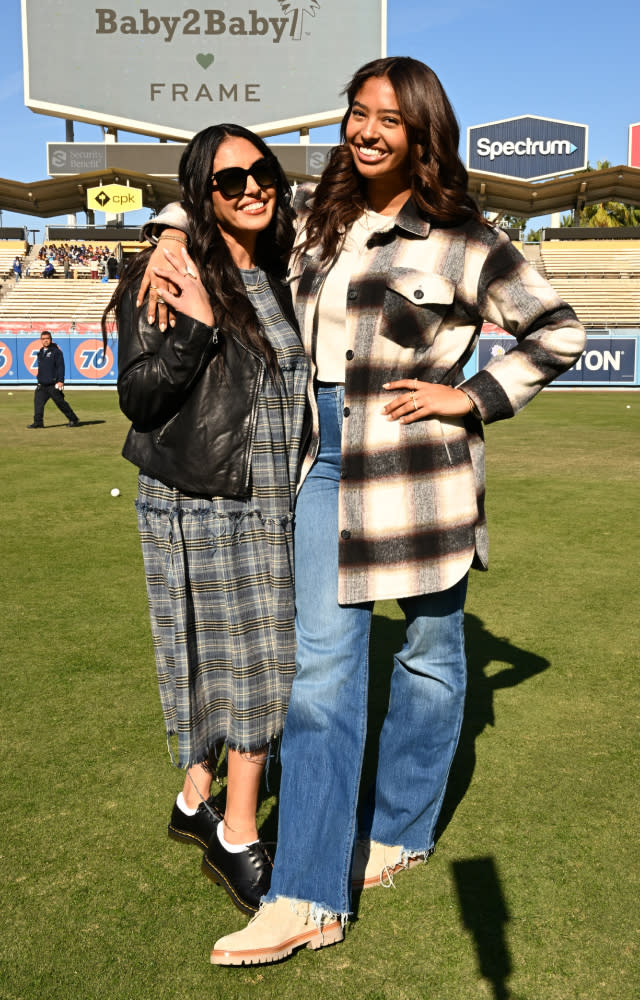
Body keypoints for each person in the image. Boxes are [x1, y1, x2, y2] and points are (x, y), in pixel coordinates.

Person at [141, 56, 586, 965]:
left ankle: (401, 828)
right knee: (322, 676)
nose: (366, 129)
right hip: (321, 461)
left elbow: (560, 330)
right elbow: (220, 190)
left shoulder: (467, 237)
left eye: (388, 117)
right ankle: (307, 893)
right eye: (357, 112)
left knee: (428, 657)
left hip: (420, 471)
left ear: (423, 133)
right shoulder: (320, 216)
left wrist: (472, 397)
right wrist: (162, 233)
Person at [103, 123, 309, 916]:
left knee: (224, 663)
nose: (252, 186)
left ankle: (194, 797)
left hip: (267, 502)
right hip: (205, 500)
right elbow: (140, 396)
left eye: (263, 171)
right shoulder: (171, 272)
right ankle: (235, 835)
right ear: (203, 193)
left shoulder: (285, 266)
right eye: (230, 181)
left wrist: (174, 221)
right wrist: (193, 328)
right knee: (259, 666)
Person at [28, 331, 80, 428]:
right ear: (41, 340)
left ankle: (73, 419)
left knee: (61, 403)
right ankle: (38, 422)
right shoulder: (40, 352)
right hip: (42, 385)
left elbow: (61, 367)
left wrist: (60, 381)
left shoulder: (56, 352)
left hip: (53, 384)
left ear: (51, 339)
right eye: (43, 339)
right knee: (38, 403)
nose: (45, 340)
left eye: (47, 338)